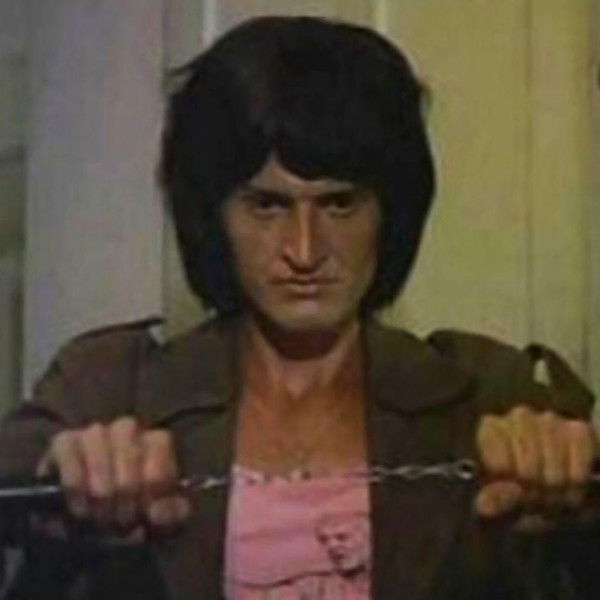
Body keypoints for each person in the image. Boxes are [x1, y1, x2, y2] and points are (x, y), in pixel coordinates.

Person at [0, 15, 597, 600]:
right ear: (213, 215)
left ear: (391, 212)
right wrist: (61, 477)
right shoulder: (112, 386)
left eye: (340, 204)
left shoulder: (488, 392)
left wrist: (575, 494)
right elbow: (15, 472)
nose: (305, 251)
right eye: (267, 206)